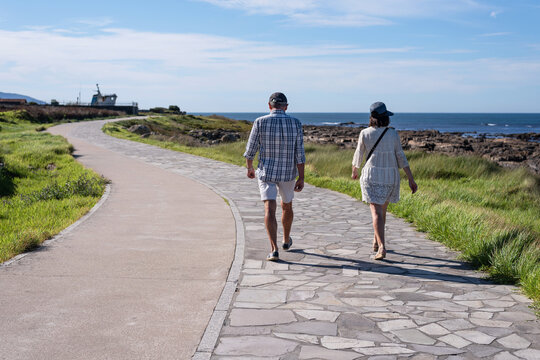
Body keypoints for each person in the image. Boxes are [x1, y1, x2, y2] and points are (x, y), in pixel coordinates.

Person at [243, 92, 306, 261]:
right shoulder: (296, 123)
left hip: (266, 172)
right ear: (286, 106)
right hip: (288, 173)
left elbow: (251, 149)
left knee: (269, 209)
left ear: (269, 105)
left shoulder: (260, 122)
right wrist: (301, 177)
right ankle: (286, 239)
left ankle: (274, 249)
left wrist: (250, 167)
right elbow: (299, 153)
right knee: (287, 205)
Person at [352, 102, 417, 260]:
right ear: (385, 118)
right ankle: (376, 240)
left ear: (372, 118)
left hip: (371, 175)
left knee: (376, 213)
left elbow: (359, 153)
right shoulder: (393, 134)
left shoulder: (365, 133)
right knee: (382, 212)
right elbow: (400, 157)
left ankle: (381, 246)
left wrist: (355, 169)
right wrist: (410, 178)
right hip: (390, 177)